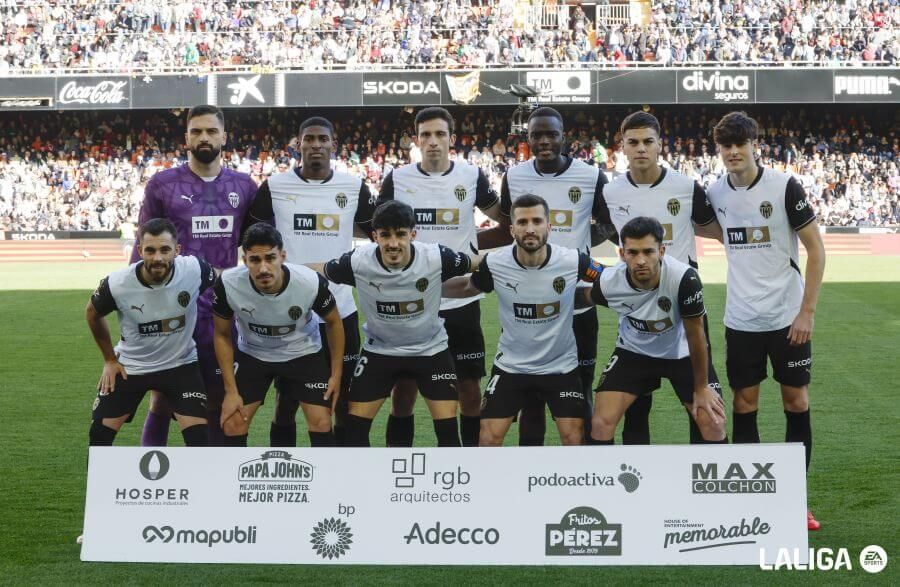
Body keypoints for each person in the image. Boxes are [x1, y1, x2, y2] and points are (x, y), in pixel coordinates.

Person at [706, 111, 826, 531]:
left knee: (797, 403)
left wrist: (806, 312)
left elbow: (816, 250)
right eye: (726, 145)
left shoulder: (783, 187)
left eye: (740, 144)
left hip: (787, 318)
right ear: (719, 150)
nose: (733, 152)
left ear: (754, 144)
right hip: (742, 320)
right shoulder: (715, 192)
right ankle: (753, 500)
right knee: (744, 405)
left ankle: (796, 499)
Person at [478, 106, 610, 446]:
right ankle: (530, 469)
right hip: (528, 299)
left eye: (551, 134)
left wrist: (578, 252)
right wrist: (467, 243)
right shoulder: (514, 176)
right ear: (528, 138)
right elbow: (507, 230)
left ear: (564, 136)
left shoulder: (591, 176)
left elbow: (608, 224)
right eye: (537, 135)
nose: (544, 141)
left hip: (577, 302)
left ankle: (584, 468)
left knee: (582, 388)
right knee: (530, 399)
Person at [243, 116, 375, 447]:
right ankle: (284, 468)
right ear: (298, 144)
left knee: (342, 399)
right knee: (286, 403)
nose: (316, 144)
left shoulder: (353, 187)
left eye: (322, 139)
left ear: (333, 145)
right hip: (290, 312)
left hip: (340, 309)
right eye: (309, 139)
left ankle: (341, 469)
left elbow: (378, 235)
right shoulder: (275, 186)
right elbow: (250, 237)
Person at [376, 106, 503, 448]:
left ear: (451, 139)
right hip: (411, 302)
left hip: (461, 299)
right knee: (404, 389)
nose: (433, 141)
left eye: (440, 134)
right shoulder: (397, 179)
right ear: (416, 140)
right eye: (426, 135)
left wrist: (473, 249)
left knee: (469, 387)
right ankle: (398, 463)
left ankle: (469, 464)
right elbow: (380, 232)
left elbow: (506, 224)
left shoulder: (471, 176)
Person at [595, 110, 724, 445]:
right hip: (636, 310)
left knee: (705, 411)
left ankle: (703, 476)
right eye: (633, 142)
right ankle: (634, 478)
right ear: (622, 146)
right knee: (635, 410)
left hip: (685, 311)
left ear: (659, 145)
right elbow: (604, 233)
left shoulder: (685, 187)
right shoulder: (610, 192)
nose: (641, 148)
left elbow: (717, 230)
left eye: (648, 141)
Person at [132, 105, 257, 447]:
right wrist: (139, 303)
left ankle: (211, 472)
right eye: (197, 131)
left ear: (224, 137)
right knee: (162, 397)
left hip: (220, 312)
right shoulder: (162, 185)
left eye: (211, 131)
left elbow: (257, 247)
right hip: (173, 308)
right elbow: (142, 248)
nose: (204, 137)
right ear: (186, 138)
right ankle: (149, 470)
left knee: (218, 396)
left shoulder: (244, 186)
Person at [444, 194, 603, 446]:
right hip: (511, 367)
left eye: (537, 221)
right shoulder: (495, 263)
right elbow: (466, 287)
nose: (530, 229)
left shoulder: (574, 261)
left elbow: (609, 279)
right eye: (522, 222)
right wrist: (424, 288)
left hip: (560, 367)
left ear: (549, 227)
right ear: (512, 229)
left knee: (574, 437)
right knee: (488, 437)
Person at [316, 201, 478, 447]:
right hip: (380, 351)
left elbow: (479, 262)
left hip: (430, 350)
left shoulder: (436, 257)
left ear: (413, 234)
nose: (393, 243)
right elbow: (319, 270)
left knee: (448, 434)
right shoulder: (358, 261)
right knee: (354, 432)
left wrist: (519, 260)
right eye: (385, 235)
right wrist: (283, 270)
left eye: (401, 234)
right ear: (374, 237)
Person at [580, 216, 727, 445]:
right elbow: (584, 298)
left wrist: (701, 388)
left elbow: (697, 335)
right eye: (633, 252)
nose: (641, 260)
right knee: (600, 424)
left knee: (714, 423)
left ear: (661, 251)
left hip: (682, 353)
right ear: (622, 254)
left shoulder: (684, 278)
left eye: (648, 252)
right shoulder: (610, 282)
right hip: (634, 351)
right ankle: (607, 469)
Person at [86, 218, 216, 447]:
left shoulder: (195, 269)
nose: (157, 258)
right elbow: (92, 313)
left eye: (165, 250)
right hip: (131, 366)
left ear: (177, 250)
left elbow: (223, 284)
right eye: (150, 250)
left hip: (181, 364)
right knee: (99, 435)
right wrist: (109, 360)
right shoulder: (118, 283)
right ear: (140, 251)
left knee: (200, 439)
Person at [211, 223, 344, 447]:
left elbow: (334, 322)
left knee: (321, 423)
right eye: (255, 260)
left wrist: (335, 375)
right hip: (253, 353)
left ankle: (323, 471)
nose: (263, 268)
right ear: (245, 260)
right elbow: (221, 334)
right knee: (233, 423)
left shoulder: (309, 282)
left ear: (282, 256)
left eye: (270, 258)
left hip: (303, 351)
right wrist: (230, 391)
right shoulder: (227, 284)